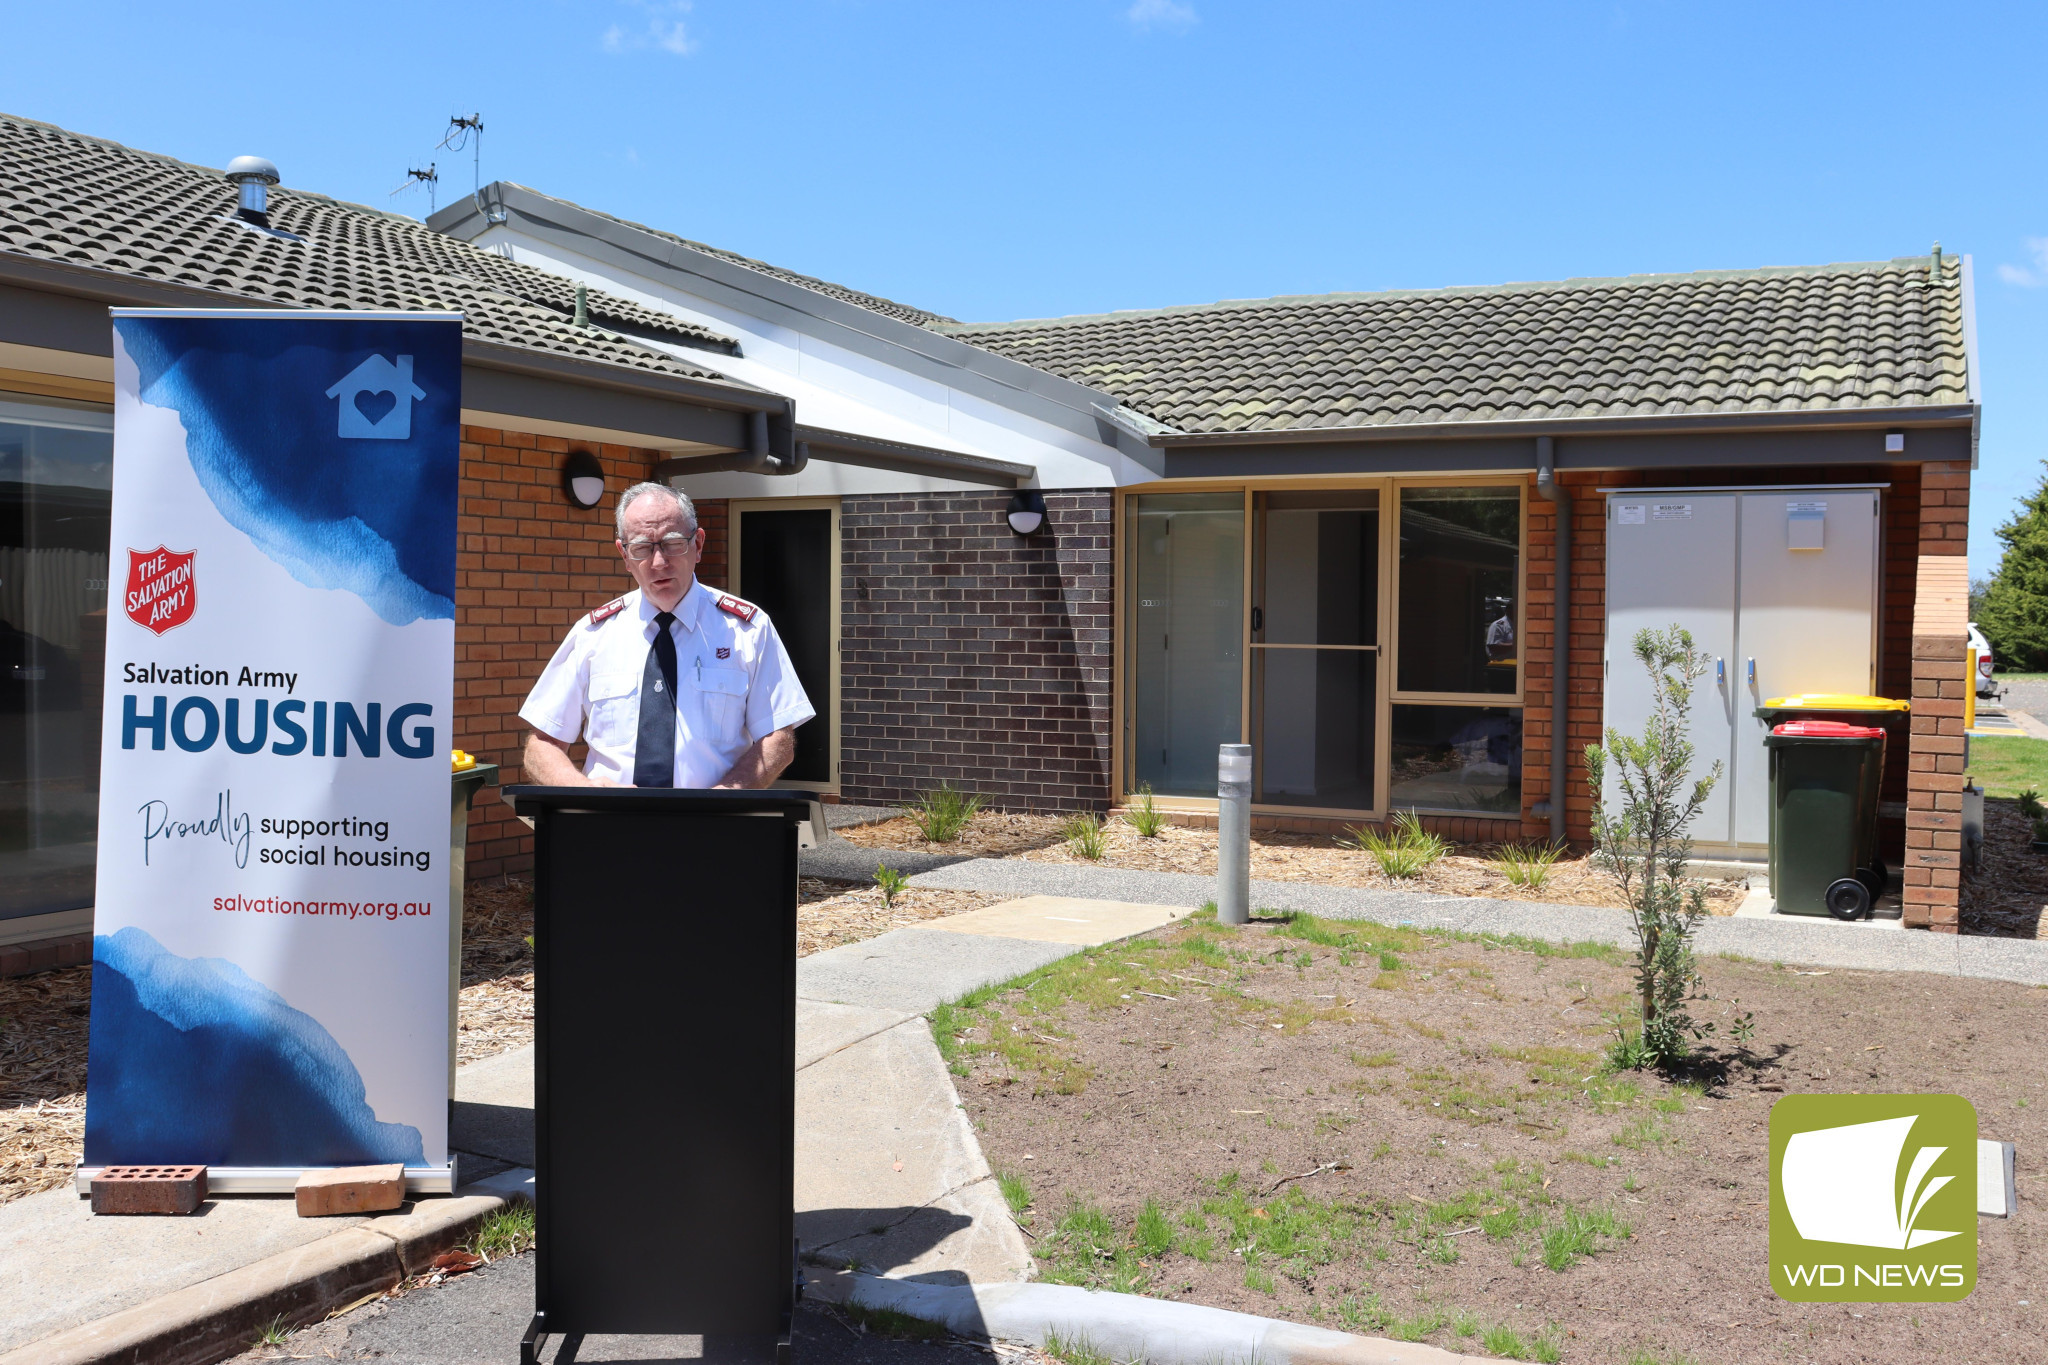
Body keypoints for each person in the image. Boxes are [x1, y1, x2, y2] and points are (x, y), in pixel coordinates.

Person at [519, 482, 814, 789]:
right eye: (642, 548)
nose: (659, 563)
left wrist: (728, 795)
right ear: (624, 554)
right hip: (610, 824)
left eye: (673, 544)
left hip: (712, 825)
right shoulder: (593, 634)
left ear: (698, 545)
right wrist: (583, 791)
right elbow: (542, 744)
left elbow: (778, 738)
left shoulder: (747, 630)